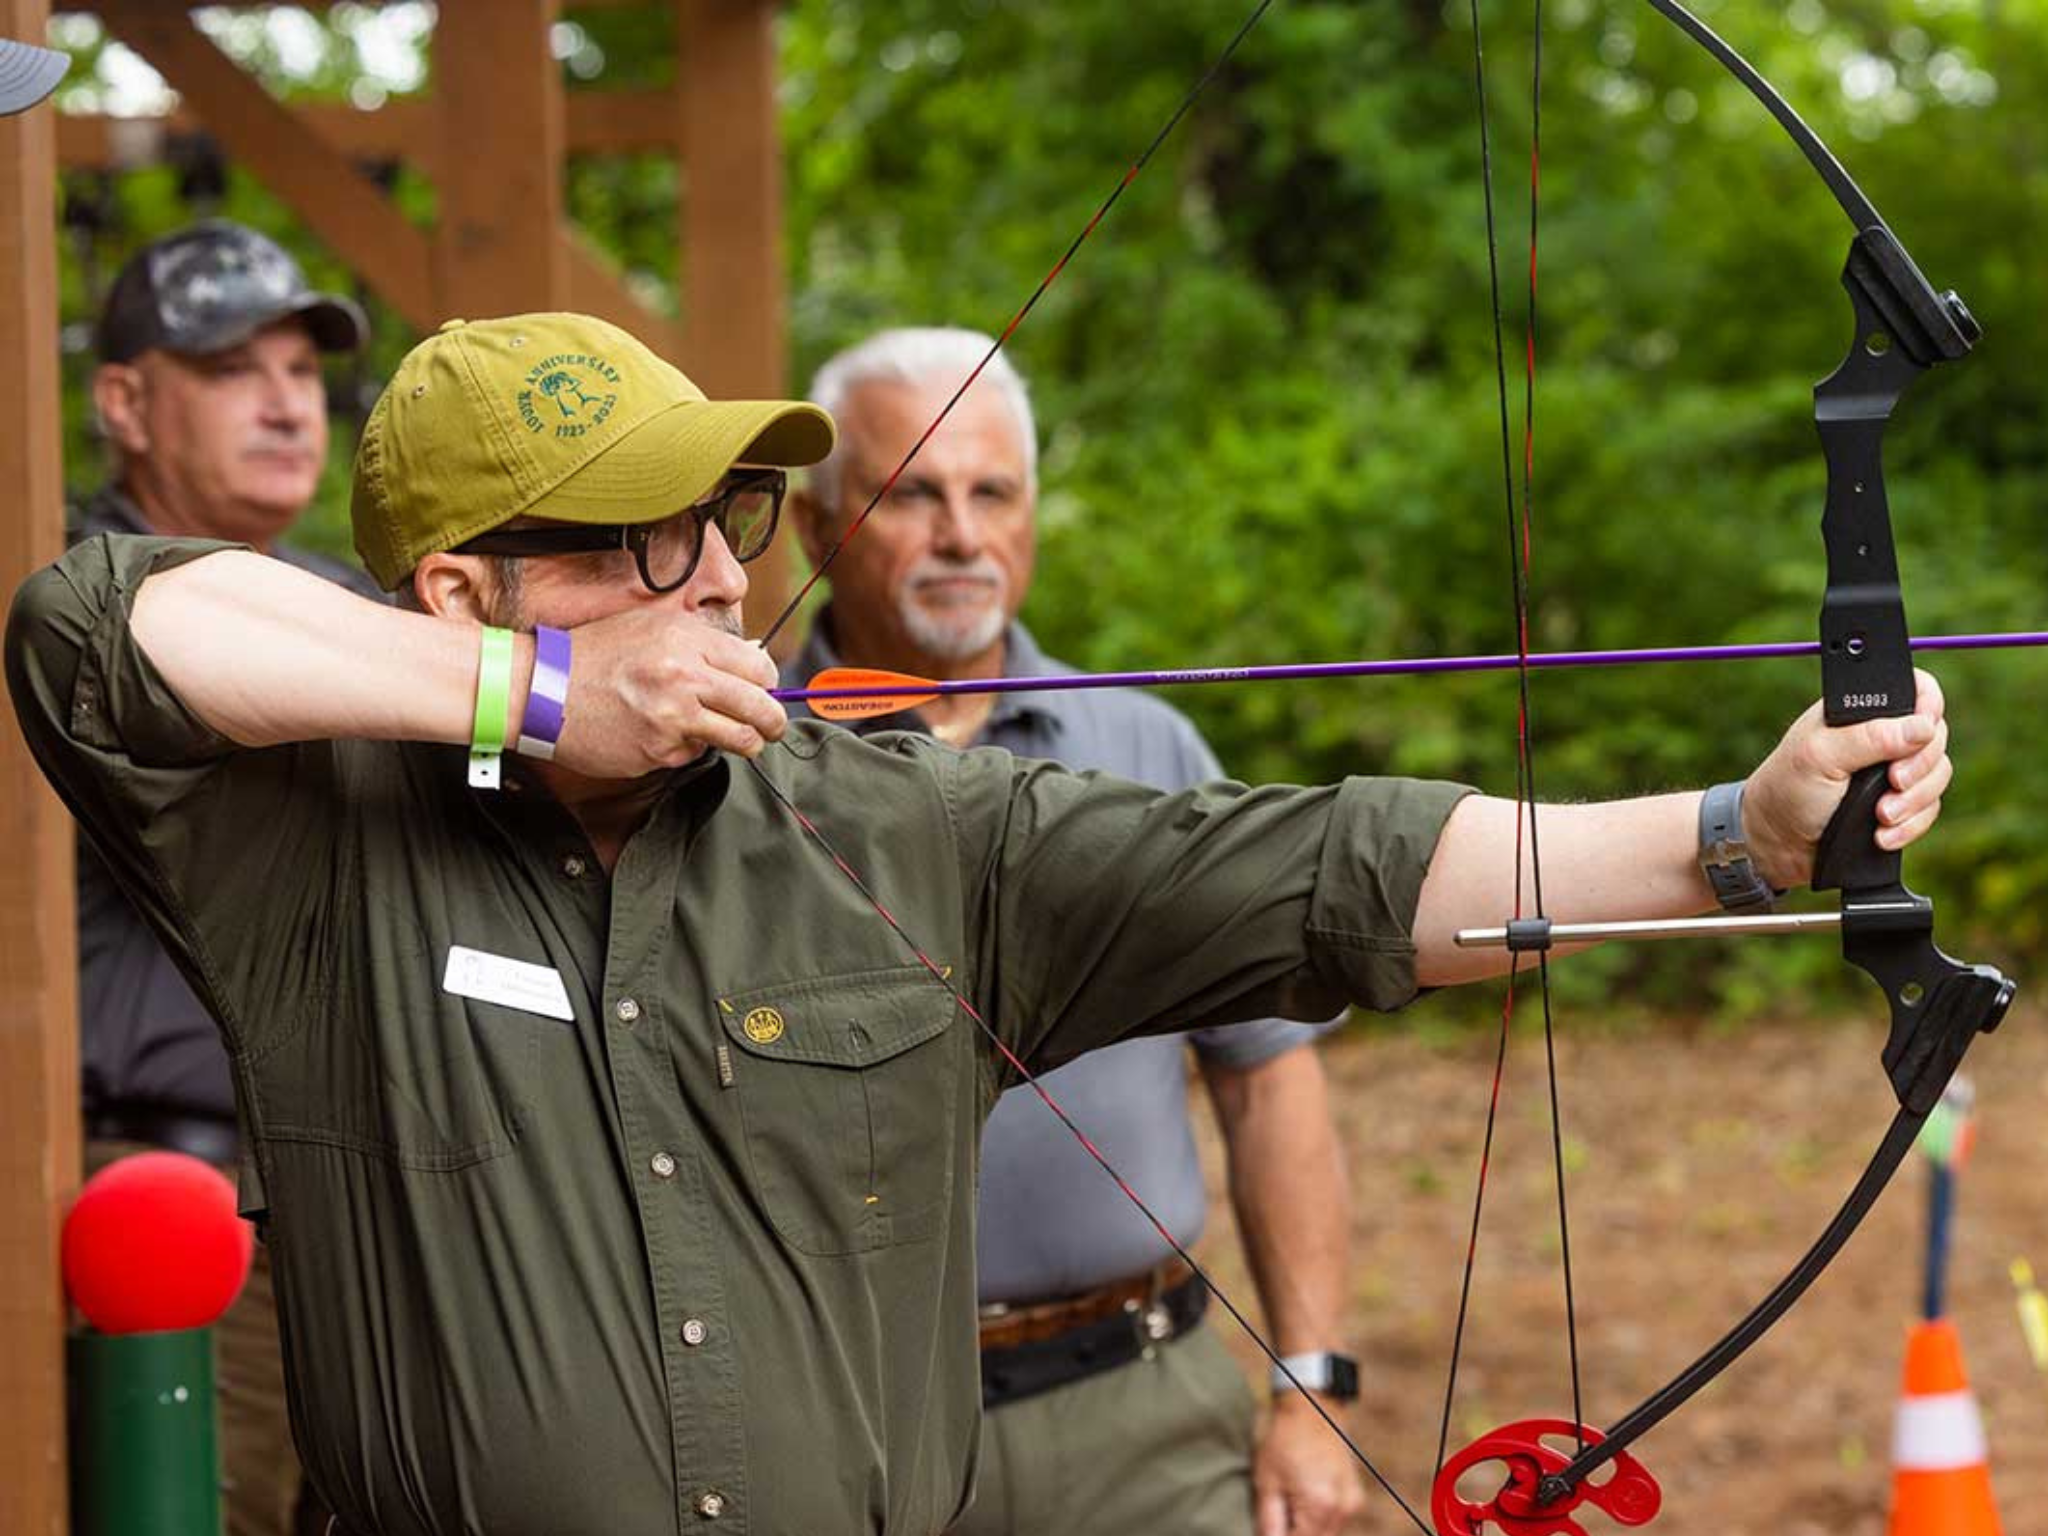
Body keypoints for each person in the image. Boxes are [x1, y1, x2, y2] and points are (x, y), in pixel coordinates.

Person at [6, 310, 1958, 1536]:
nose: (707, 575)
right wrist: (541, 704)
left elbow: (1332, 869)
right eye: (631, 539)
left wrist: (1739, 831)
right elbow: (93, 627)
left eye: (728, 519)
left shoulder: (901, 824)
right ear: (452, 594)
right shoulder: (302, 851)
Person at [784, 328, 1365, 1536]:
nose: (960, 536)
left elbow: (1267, 1082)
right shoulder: (727, 762)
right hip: (840, 1432)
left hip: (1144, 1421)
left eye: (991, 491)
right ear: (813, 523)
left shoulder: (1145, 751)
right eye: (911, 495)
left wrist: (1310, 1386)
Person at [74, 218, 371, 1536]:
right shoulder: (64, 599)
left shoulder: (347, 605)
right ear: (125, 401)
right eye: (231, 367)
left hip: (358, 1217)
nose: (284, 402)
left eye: (304, 373)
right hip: (162, 1209)